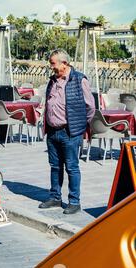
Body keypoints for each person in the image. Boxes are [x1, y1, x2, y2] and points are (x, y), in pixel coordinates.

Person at [38, 49, 95, 215]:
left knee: (72, 167)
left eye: (53, 63)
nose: (51, 67)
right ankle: (55, 197)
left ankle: (74, 202)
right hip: (52, 132)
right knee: (55, 166)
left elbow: (90, 107)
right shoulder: (52, 80)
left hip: (70, 132)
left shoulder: (79, 79)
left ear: (64, 63)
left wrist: (80, 126)